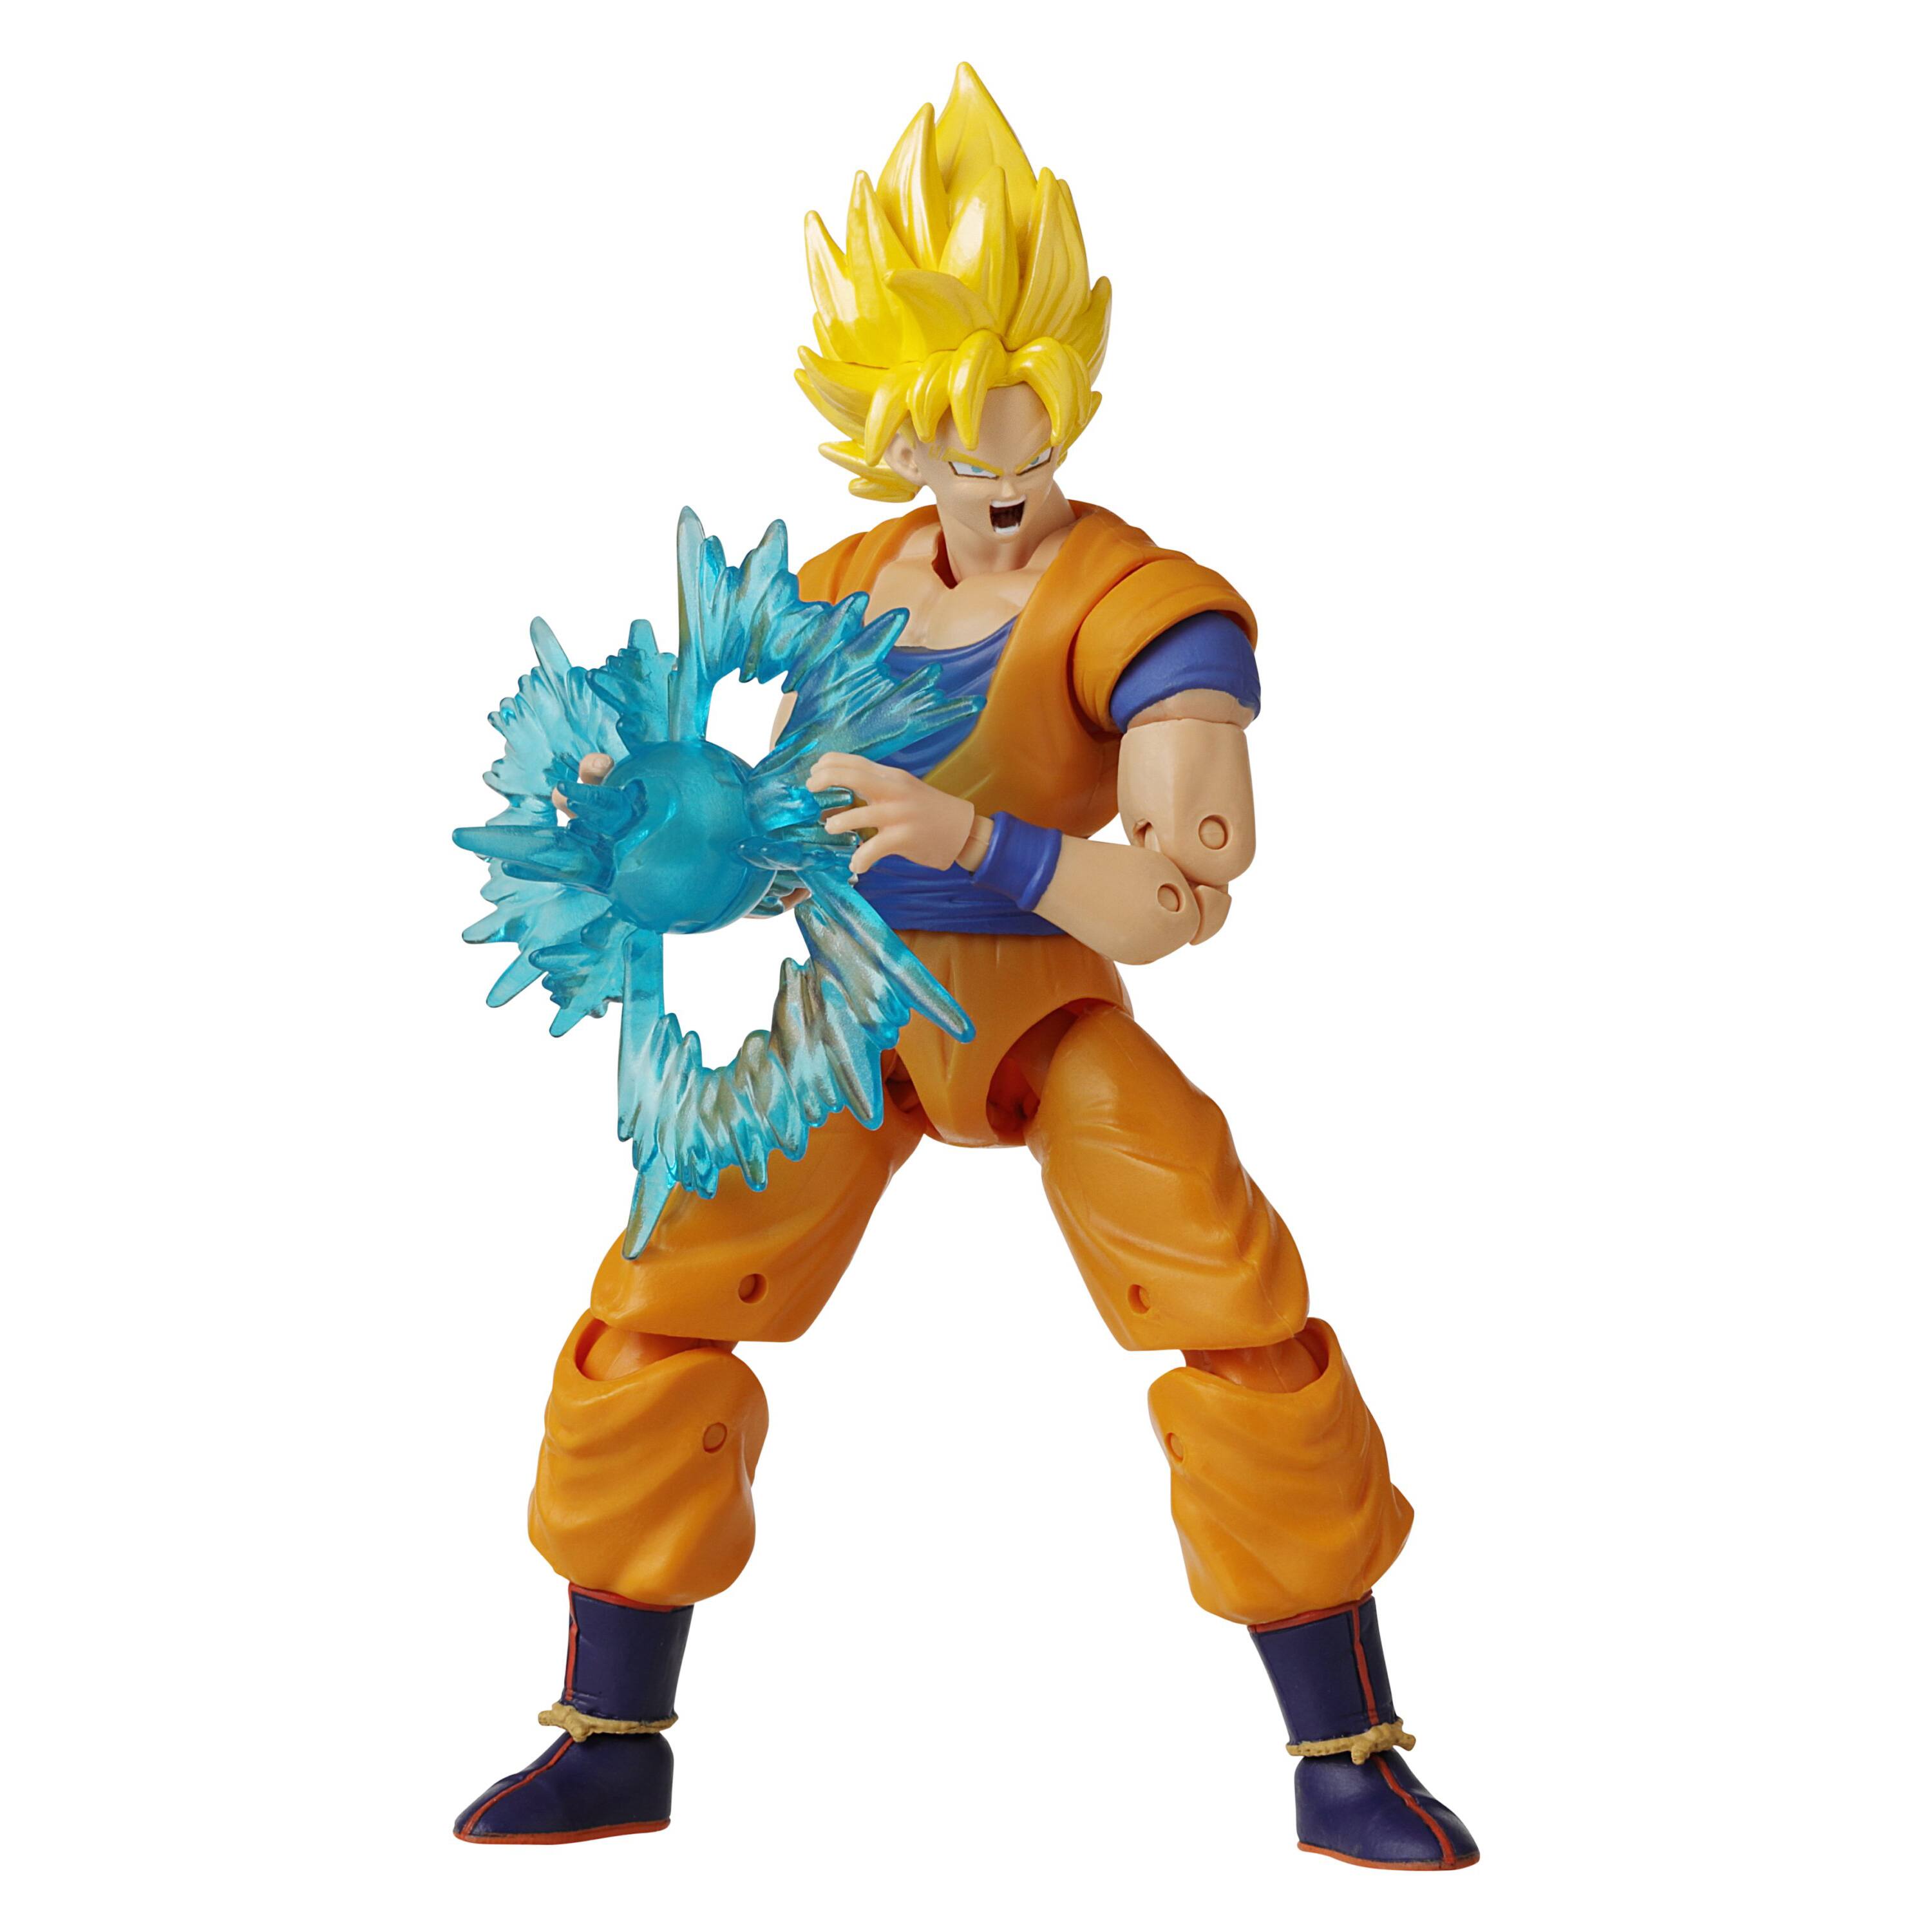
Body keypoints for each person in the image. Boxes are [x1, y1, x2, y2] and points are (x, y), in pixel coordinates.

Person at [454, 64, 1477, 1871]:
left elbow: (1182, 895)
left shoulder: (1144, 608)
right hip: (858, 1010)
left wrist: (978, 843)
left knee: (1232, 1305)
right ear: (889, 431)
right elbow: (773, 840)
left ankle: (1347, 1751)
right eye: (964, 454)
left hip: (1050, 1006)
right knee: (663, 1294)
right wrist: (659, 836)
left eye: (1034, 449)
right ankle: (610, 1736)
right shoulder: (846, 584)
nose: (1008, 488)